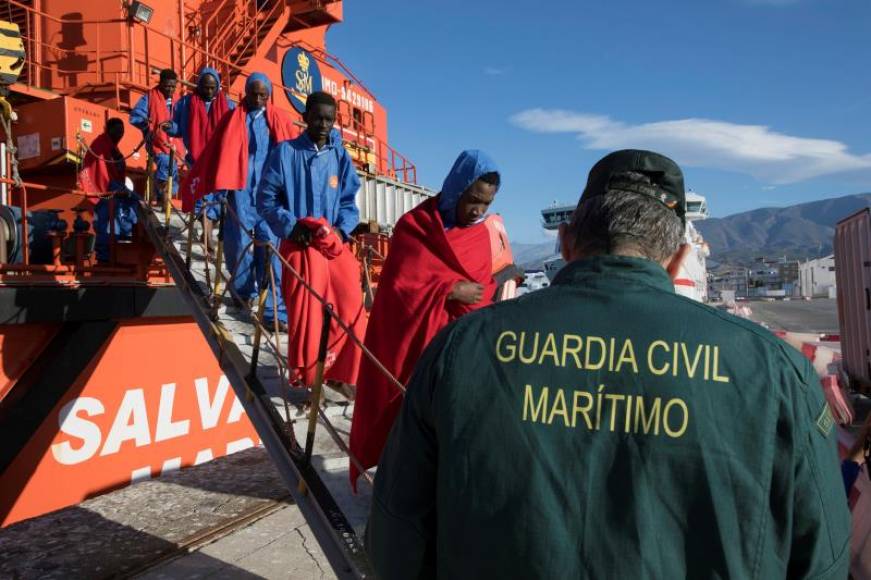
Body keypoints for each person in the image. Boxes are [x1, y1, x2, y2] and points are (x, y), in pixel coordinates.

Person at [366, 149, 851, 579]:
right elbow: (823, 557)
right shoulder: (777, 373)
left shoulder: (460, 349)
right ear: (679, 259)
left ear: (566, 242)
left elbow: (394, 543)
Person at [349, 150, 503, 489]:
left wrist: (467, 297)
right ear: (456, 188)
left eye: (486, 204)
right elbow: (399, 290)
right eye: (473, 200)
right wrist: (447, 291)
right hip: (410, 349)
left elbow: (481, 291)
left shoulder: (479, 235)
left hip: (454, 352)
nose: (478, 211)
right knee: (404, 425)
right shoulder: (414, 227)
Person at [257, 91, 364, 388]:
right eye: (317, 117)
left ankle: (340, 371)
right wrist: (291, 226)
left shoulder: (339, 156)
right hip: (299, 244)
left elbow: (348, 202)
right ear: (305, 117)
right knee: (308, 314)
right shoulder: (285, 152)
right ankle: (309, 376)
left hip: (332, 245)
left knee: (350, 305)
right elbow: (265, 199)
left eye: (329, 119)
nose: (322, 124)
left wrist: (342, 231)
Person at [181, 73, 295, 329]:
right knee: (237, 245)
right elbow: (218, 153)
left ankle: (273, 313)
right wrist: (219, 191)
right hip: (240, 189)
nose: (258, 98)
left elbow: (291, 156)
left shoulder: (279, 120)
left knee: (270, 250)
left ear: (269, 95)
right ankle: (243, 294)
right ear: (245, 93)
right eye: (254, 94)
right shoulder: (234, 118)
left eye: (263, 94)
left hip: (269, 193)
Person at [164, 66, 233, 221]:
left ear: (218, 87)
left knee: (218, 193)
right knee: (198, 191)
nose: (209, 92)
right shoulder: (185, 103)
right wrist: (170, 127)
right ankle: (202, 221)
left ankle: (210, 221)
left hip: (218, 158)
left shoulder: (228, 105)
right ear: (199, 86)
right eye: (205, 88)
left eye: (212, 88)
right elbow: (178, 127)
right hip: (196, 157)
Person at [80, 118, 139, 263]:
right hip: (105, 189)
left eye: (122, 131)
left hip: (113, 188)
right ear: (108, 129)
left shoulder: (112, 146)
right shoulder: (101, 144)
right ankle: (106, 256)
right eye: (118, 130)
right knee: (107, 222)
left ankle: (127, 237)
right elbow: (99, 167)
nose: (120, 134)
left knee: (134, 202)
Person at [129, 68, 182, 201]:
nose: (170, 89)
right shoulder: (149, 97)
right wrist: (146, 125)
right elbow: (135, 116)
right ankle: (163, 198)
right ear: (160, 83)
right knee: (165, 164)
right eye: (167, 86)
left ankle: (164, 198)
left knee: (174, 174)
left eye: (173, 87)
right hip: (157, 143)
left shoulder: (178, 99)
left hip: (175, 146)